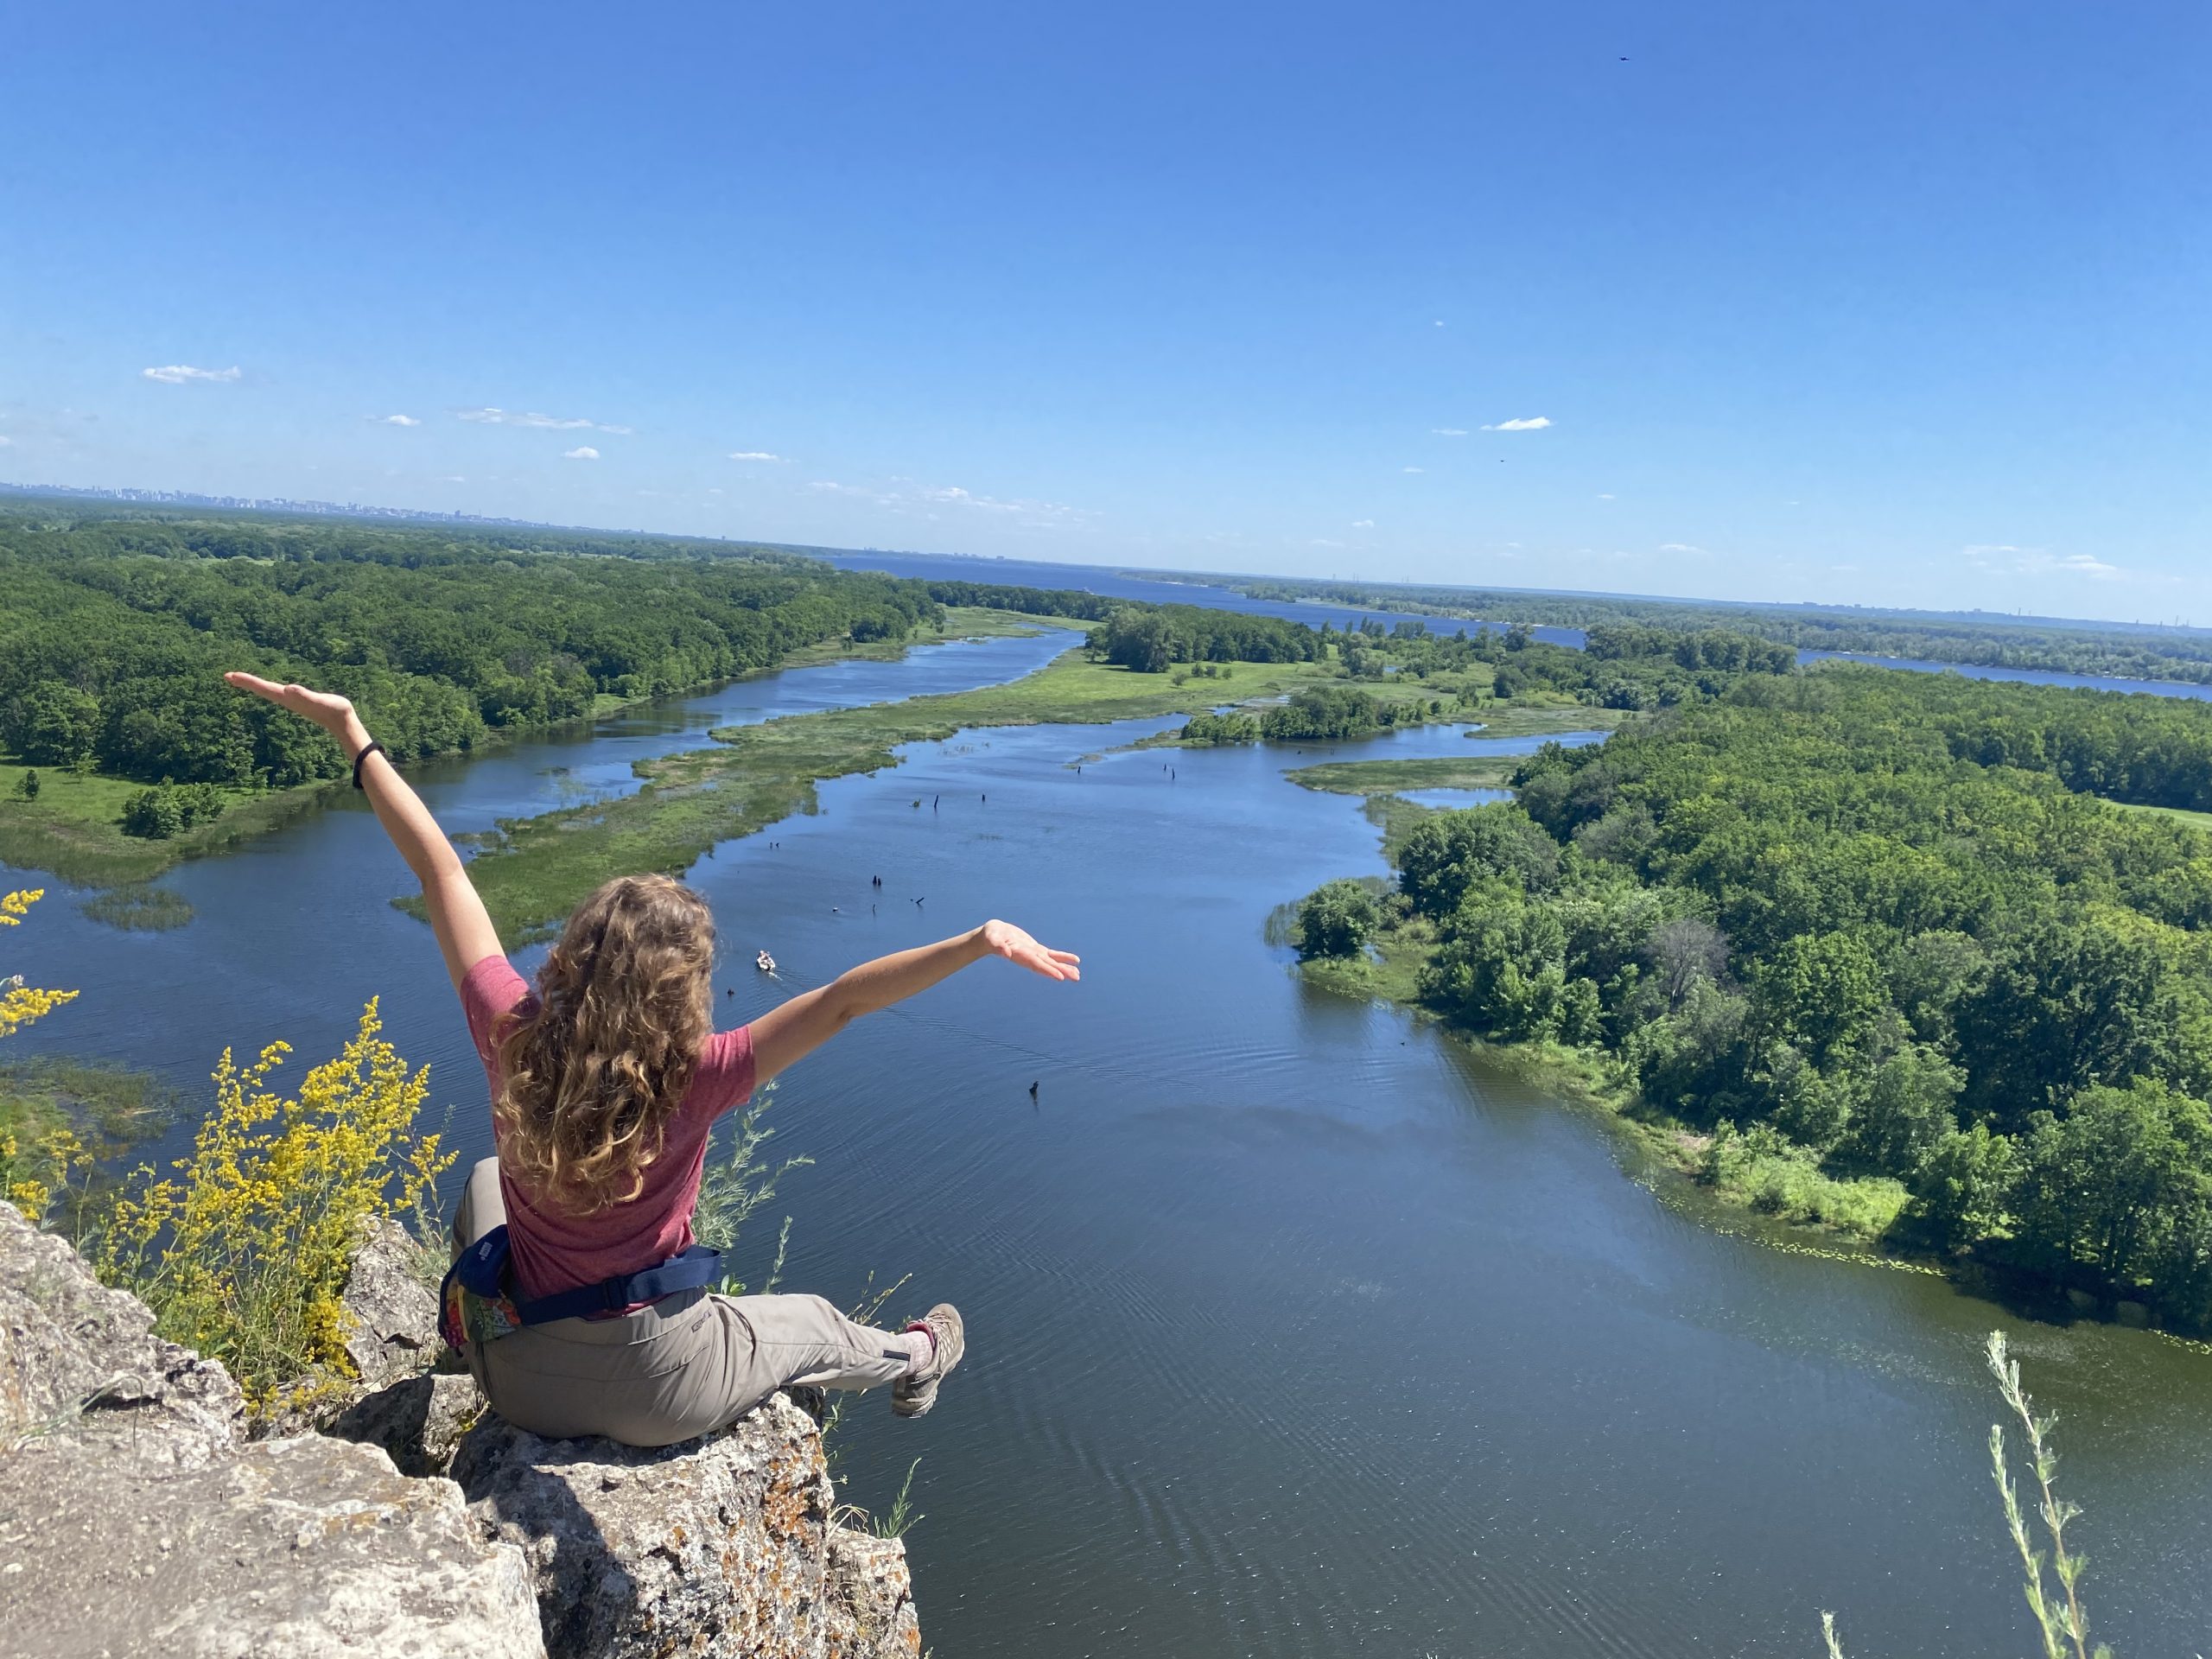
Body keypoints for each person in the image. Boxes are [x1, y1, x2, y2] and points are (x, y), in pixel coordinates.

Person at [225, 672, 1080, 1446]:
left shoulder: (511, 1033)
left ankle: (465, 1329)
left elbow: (442, 871)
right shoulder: (700, 1076)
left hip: (516, 1378)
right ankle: (917, 1357)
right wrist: (976, 941)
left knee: (488, 1180)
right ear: (682, 995)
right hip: (658, 1388)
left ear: (574, 959)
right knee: (815, 1323)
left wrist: (353, 736)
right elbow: (844, 1000)